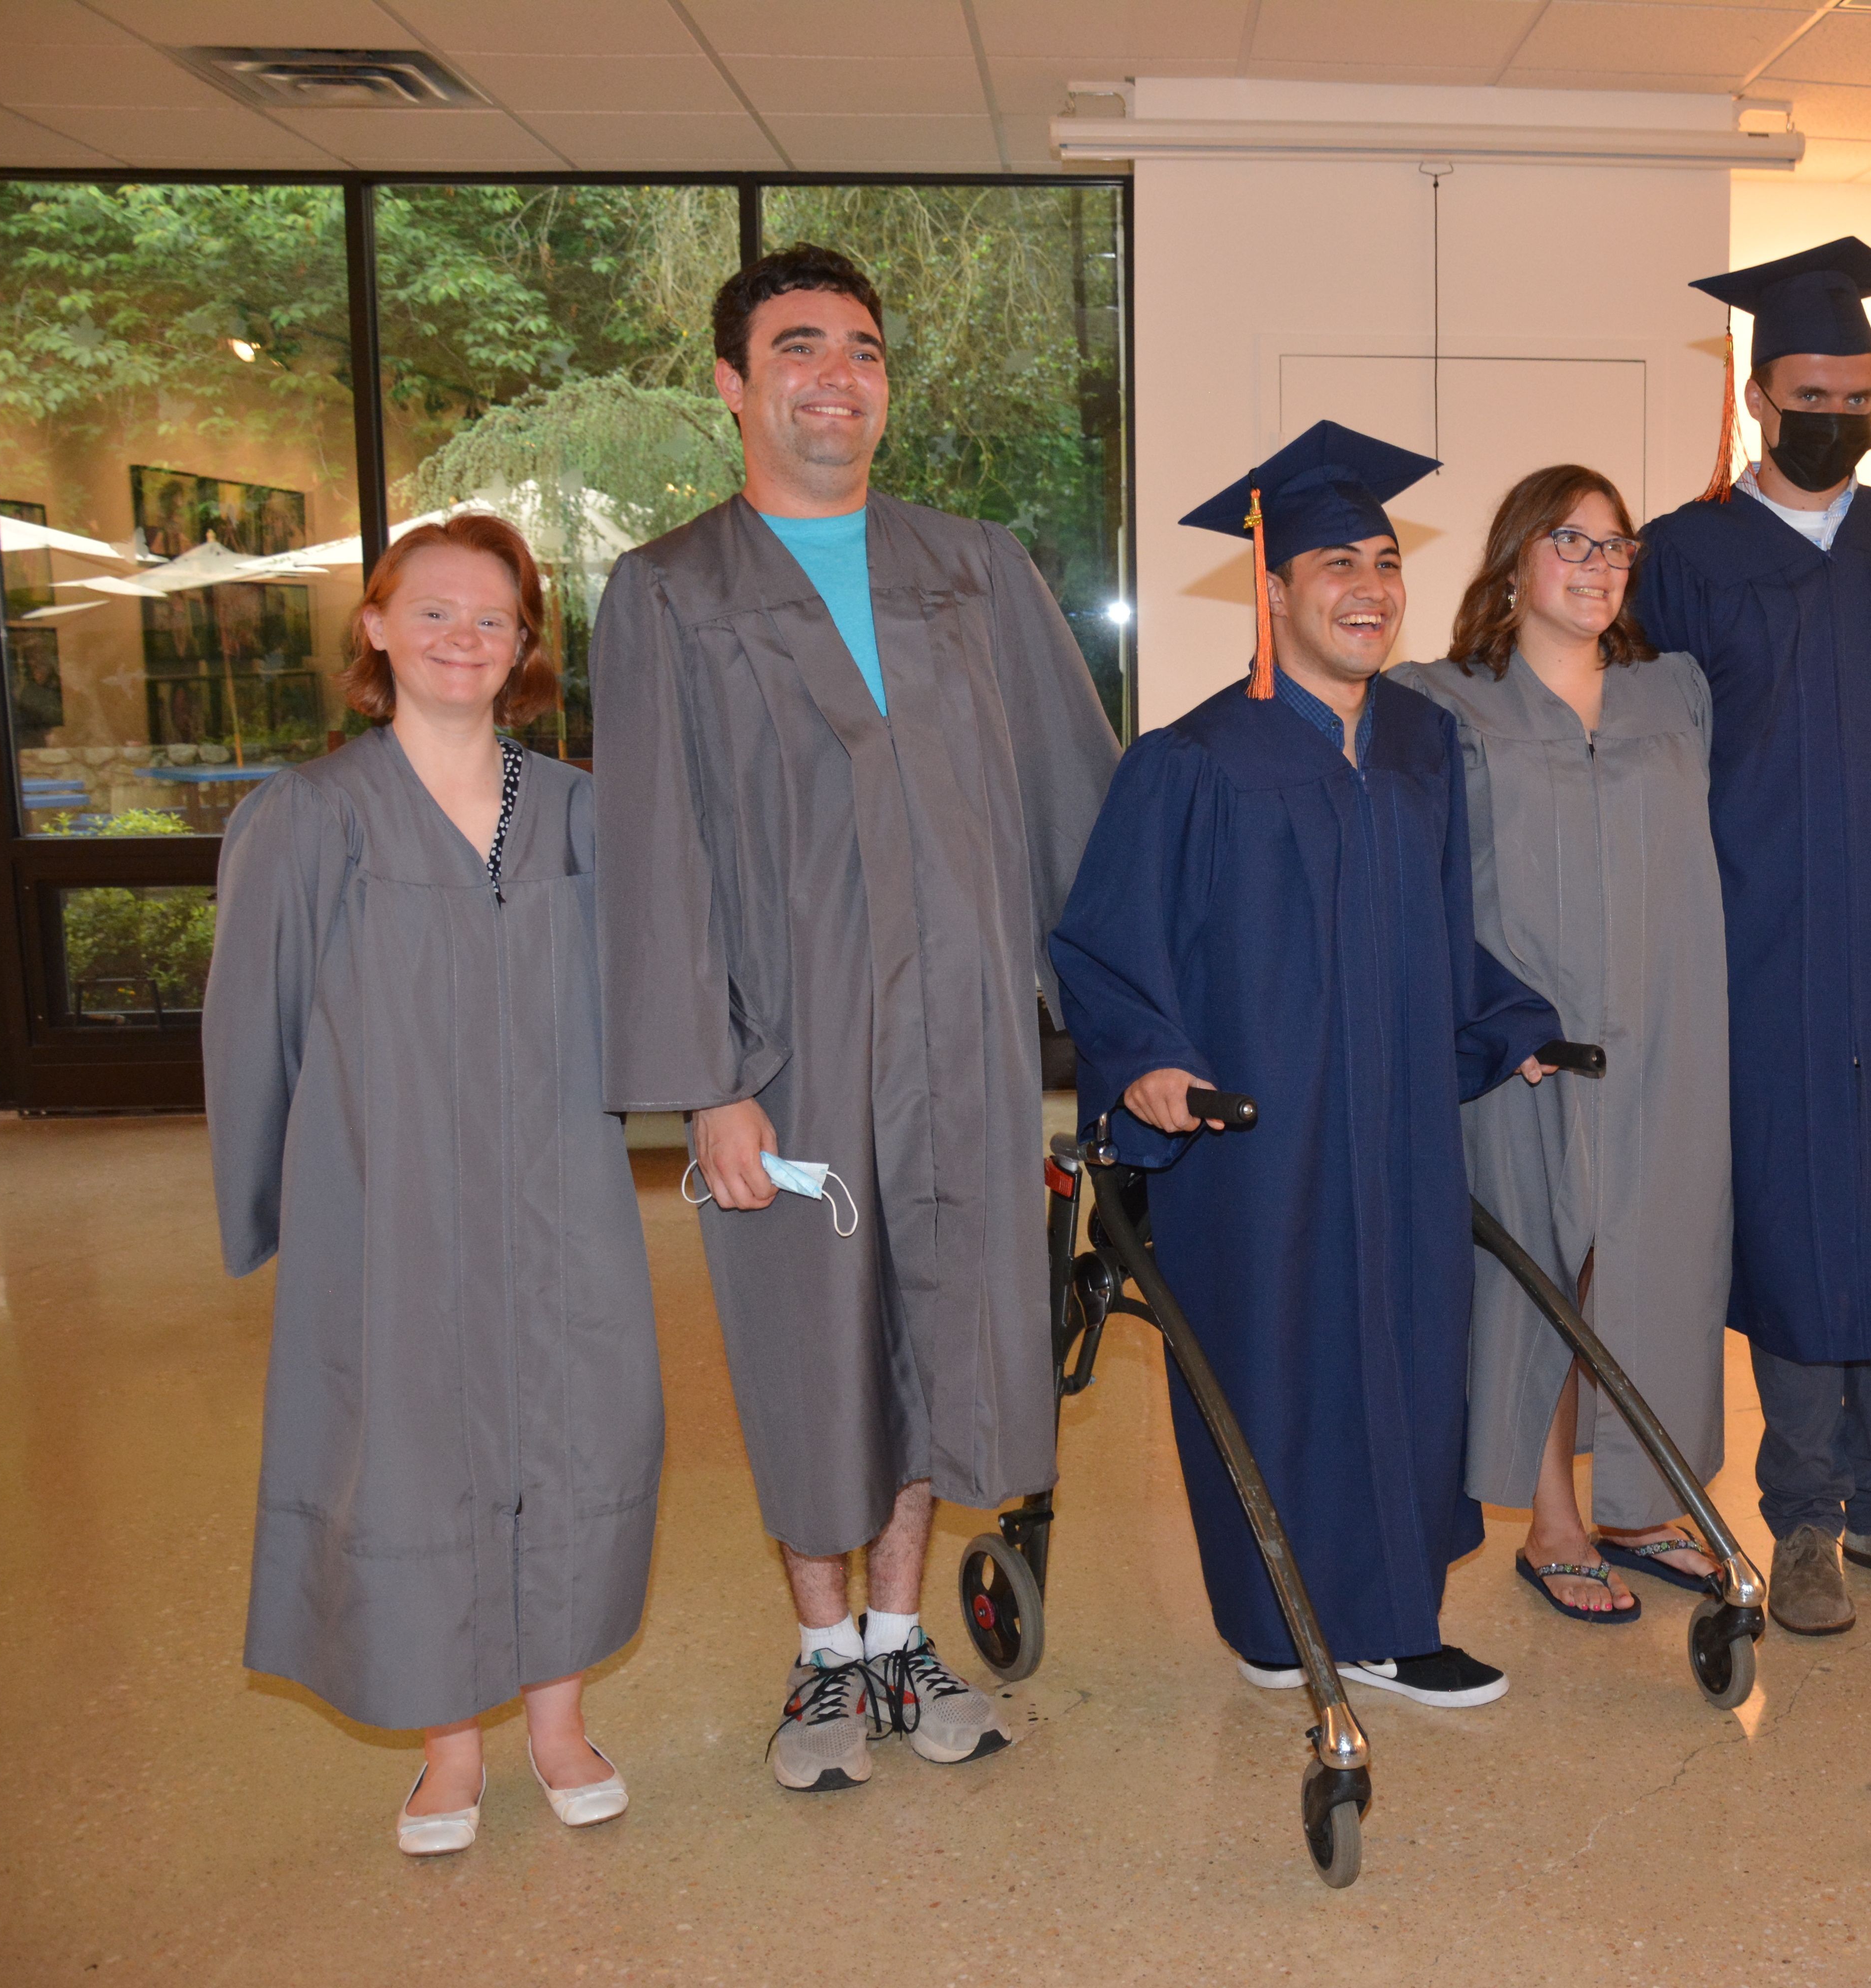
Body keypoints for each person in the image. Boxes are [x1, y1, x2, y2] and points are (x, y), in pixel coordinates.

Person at [591, 244, 1120, 1791]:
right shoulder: (672, 592)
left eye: (864, 350)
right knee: (811, 1343)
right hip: (787, 1045)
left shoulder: (977, 567)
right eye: (800, 347)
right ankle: (821, 1658)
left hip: (965, 1034)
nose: (837, 375)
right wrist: (706, 1083)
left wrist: (1122, 1024)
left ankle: (899, 1637)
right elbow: (654, 849)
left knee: (950, 1322)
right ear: (733, 384)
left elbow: (1073, 807)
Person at [1052, 421, 1563, 1707]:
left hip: (1396, 1132)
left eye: (1387, 564)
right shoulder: (1192, 763)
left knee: (1407, 1353)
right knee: (1273, 1365)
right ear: (1272, 588)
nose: (1370, 589)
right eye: (1338, 564)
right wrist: (1150, 1066)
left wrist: (1508, 1026)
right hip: (1257, 1138)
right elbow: (1106, 948)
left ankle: (1391, 1616)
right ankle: (1278, 1618)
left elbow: (1451, 936)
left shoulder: (1421, 749)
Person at [206, 515, 661, 1856]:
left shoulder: (585, 815)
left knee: (580, 1433)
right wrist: (279, 1210)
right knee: (407, 1451)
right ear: (378, 625)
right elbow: (254, 1026)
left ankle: (560, 1723)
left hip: (561, 1196)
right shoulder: (311, 816)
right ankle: (447, 1746)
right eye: (436, 611)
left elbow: (656, 993)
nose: (464, 637)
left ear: (525, 646)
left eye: (495, 618)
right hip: (386, 1196)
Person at [1635, 237, 1871, 1633]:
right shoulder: (1682, 557)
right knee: (1798, 1232)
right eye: (1810, 391)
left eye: (1858, 391)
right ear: (1754, 394)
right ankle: (1804, 1522)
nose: (1837, 416)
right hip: (1769, 937)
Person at [1389, 465, 1731, 1624]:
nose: (1596, 564)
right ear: (1515, 560)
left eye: (1615, 546)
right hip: (1519, 1035)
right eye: (1569, 541)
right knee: (1532, 1269)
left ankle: (1642, 1505)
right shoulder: (1437, 700)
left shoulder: (1673, 692)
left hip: (1668, 1025)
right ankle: (1555, 1523)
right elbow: (1411, 882)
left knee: (1652, 1263)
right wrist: (1477, 1016)